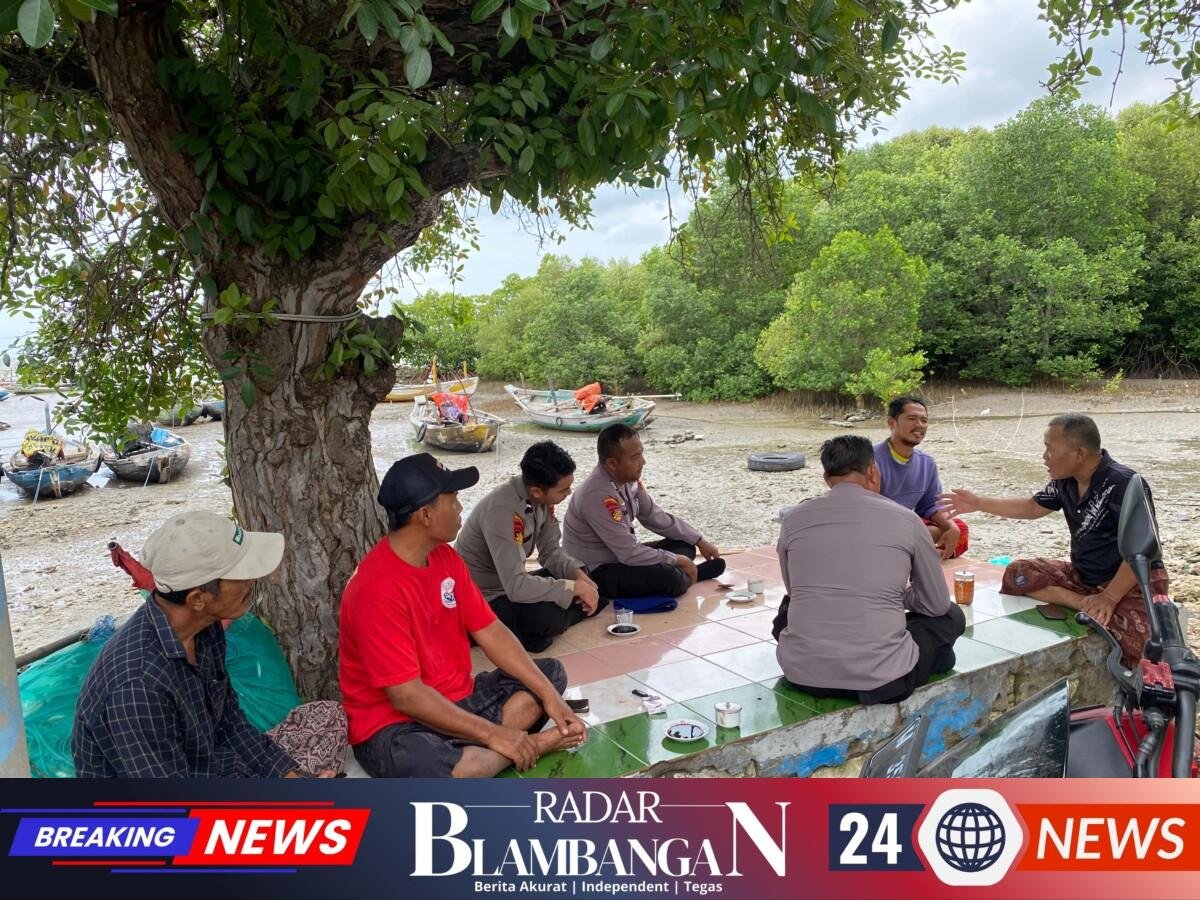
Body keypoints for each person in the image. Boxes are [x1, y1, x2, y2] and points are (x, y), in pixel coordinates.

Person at [339, 453, 587, 778]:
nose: (460, 508)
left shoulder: (446, 558)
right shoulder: (376, 589)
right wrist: (493, 734)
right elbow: (406, 697)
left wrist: (550, 697)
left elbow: (492, 631)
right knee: (426, 761)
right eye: (453, 499)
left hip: (460, 700)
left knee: (549, 675)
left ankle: (479, 752)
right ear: (425, 515)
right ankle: (528, 745)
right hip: (397, 724)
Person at [73, 511, 344, 778]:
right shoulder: (137, 687)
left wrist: (287, 776)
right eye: (241, 576)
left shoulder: (204, 627)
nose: (252, 581)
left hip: (214, 763)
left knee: (328, 716)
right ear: (197, 599)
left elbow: (229, 721)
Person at [940, 413, 1165, 665]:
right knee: (1018, 573)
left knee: (1140, 642)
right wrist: (979, 503)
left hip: (1130, 581)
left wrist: (1110, 597)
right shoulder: (1065, 481)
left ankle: (1100, 605)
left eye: (1050, 449)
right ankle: (1083, 603)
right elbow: (1032, 507)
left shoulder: (1124, 483)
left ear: (1079, 454)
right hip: (1084, 578)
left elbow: (1144, 552)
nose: (1044, 457)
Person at [775, 435, 965, 704]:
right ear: (873, 472)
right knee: (951, 615)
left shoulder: (793, 519)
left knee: (787, 612)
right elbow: (935, 604)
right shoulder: (907, 520)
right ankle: (937, 659)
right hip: (884, 681)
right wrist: (896, 594)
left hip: (802, 674)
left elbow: (794, 591)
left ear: (826, 478)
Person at [456, 441, 605, 653]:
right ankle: (550, 624)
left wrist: (578, 577)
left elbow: (551, 552)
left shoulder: (542, 500)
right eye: (563, 490)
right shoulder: (502, 510)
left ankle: (549, 625)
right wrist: (574, 589)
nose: (569, 493)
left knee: (586, 577)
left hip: (510, 584)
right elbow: (516, 587)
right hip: (485, 596)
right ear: (536, 490)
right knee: (545, 616)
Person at [562, 424, 725, 599]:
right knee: (669, 578)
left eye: (641, 454)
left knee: (684, 544)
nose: (643, 462)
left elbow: (654, 517)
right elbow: (629, 553)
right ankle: (689, 575)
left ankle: (684, 574)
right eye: (635, 457)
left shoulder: (628, 480)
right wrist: (677, 560)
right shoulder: (597, 495)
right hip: (596, 570)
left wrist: (699, 540)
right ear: (612, 463)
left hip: (621, 556)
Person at [874, 396, 969, 560]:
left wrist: (951, 527)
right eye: (911, 419)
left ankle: (914, 551)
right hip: (875, 526)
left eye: (924, 420)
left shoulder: (927, 463)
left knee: (958, 528)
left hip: (906, 526)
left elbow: (930, 505)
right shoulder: (870, 460)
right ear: (892, 423)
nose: (919, 425)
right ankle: (916, 552)